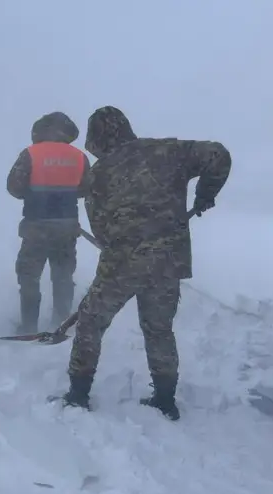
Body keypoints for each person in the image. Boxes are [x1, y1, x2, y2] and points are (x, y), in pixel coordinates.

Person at [60, 106, 232, 420]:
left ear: (96, 138)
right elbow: (218, 155)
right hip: (168, 261)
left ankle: (78, 394)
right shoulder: (169, 151)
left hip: (121, 266)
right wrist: (205, 195)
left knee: (90, 323)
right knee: (159, 330)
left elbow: (100, 229)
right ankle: (165, 401)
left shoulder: (99, 173)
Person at [6, 112, 92, 334]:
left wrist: (36, 191)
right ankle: (61, 324)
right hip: (67, 228)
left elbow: (14, 187)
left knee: (29, 277)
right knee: (63, 277)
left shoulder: (30, 154)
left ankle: (29, 326)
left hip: (36, 227)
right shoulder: (79, 157)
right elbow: (87, 188)